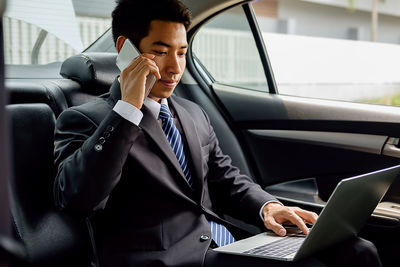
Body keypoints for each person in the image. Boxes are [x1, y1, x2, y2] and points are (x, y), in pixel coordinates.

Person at [53, 0, 381, 266]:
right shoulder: (85, 120)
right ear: (126, 50)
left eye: (181, 52)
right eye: (161, 50)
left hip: (226, 244)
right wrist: (127, 110)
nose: (175, 68)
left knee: (357, 249)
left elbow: (226, 179)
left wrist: (267, 207)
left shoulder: (193, 113)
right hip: (166, 259)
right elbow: (79, 198)